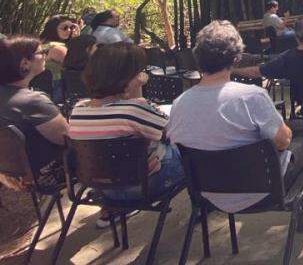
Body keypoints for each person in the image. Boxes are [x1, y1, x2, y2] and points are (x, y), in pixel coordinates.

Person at [167, 21, 303, 222]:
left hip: (206, 195)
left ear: (199, 58)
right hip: (261, 191)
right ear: (236, 58)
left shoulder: (179, 104)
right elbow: (283, 142)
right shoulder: (251, 97)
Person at [68, 43, 184, 201]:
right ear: (129, 77)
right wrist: (138, 92)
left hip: (103, 190)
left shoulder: (77, 110)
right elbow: (171, 131)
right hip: (144, 186)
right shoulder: (134, 110)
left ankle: (111, 211)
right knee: (185, 145)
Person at [0, 36, 68, 190]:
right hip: (43, 175)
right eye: (41, 52)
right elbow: (68, 140)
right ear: (25, 63)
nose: (46, 55)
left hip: (11, 172)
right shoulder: (33, 101)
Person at [40, 14, 80, 102]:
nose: (69, 31)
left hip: (46, 86)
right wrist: (77, 40)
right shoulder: (56, 47)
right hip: (56, 87)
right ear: (53, 29)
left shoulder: (43, 43)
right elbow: (77, 63)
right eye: (64, 28)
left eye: (71, 27)